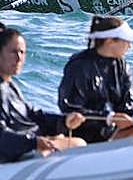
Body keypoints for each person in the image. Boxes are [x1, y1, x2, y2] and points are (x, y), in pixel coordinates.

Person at [58, 17, 133, 143]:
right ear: (110, 41)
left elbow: (126, 102)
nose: (130, 46)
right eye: (126, 41)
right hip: (83, 134)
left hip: (110, 131)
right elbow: (69, 107)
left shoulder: (122, 66)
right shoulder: (79, 66)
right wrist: (110, 118)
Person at [0, 23, 87, 161]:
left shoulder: (10, 86)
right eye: (13, 52)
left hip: (27, 142)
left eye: (22, 52)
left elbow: (33, 115)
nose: (18, 58)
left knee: (72, 139)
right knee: (78, 144)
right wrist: (34, 143)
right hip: (14, 154)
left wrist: (64, 121)